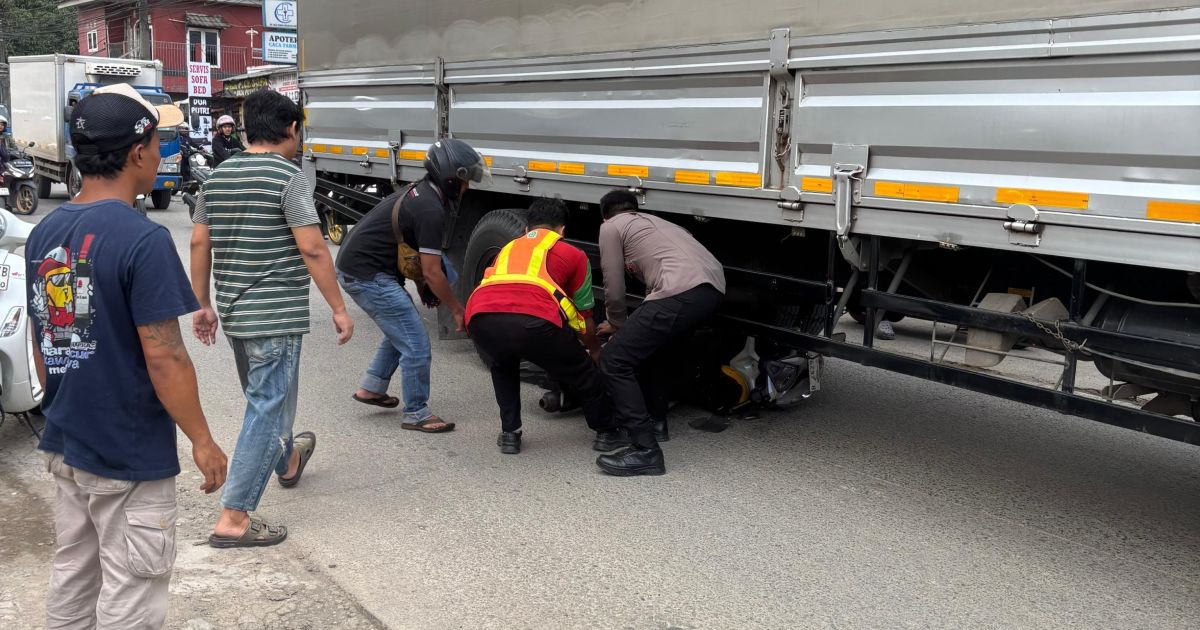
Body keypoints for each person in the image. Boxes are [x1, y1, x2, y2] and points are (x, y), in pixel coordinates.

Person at [27, 83, 227, 629]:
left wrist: (60, 408)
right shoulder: (142, 240)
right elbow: (165, 358)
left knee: (75, 572)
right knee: (132, 590)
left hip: (67, 440)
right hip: (128, 454)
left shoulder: (47, 231)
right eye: (161, 141)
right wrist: (203, 442)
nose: (163, 152)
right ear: (138, 152)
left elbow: (47, 340)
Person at [190, 89, 353, 548]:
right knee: (265, 407)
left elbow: (199, 244)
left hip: (238, 314)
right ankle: (234, 517)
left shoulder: (218, 177)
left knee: (268, 400)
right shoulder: (288, 176)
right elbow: (313, 247)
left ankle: (287, 461)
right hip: (276, 317)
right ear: (293, 129)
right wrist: (339, 309)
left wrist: (203, 304)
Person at [334, 138, 486, 433]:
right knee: (416, 343)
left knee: (403, 326)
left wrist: (422, 283)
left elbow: (413, 250)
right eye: (466, 181)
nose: (467, 189)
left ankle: (372, 388)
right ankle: (416, 412)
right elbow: (431, 272)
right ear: (452, 179)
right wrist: (456, 309)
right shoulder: (431, 209)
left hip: (361, 267)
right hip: (366, 274)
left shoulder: (425, 192)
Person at [466, 198, 627, 454]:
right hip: (535, 322)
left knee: (503, 366)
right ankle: (607, 433)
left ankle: (510, 434)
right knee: (583, 373)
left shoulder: (507, 248)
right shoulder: (574, 254)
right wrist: (594, 351)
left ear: (526, 227)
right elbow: (583, 314)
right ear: (562, 230)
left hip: (480, 318)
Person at [594, 190, 726, 476]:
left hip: (680, 290)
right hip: (712, 291)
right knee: (655, 348)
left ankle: (645, 451)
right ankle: (656, 421)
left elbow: (613, 285)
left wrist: (617, 323)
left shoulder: (610, 227)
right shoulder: (665, 225)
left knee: (615, 360)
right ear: (634, 208)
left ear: (605, 214)